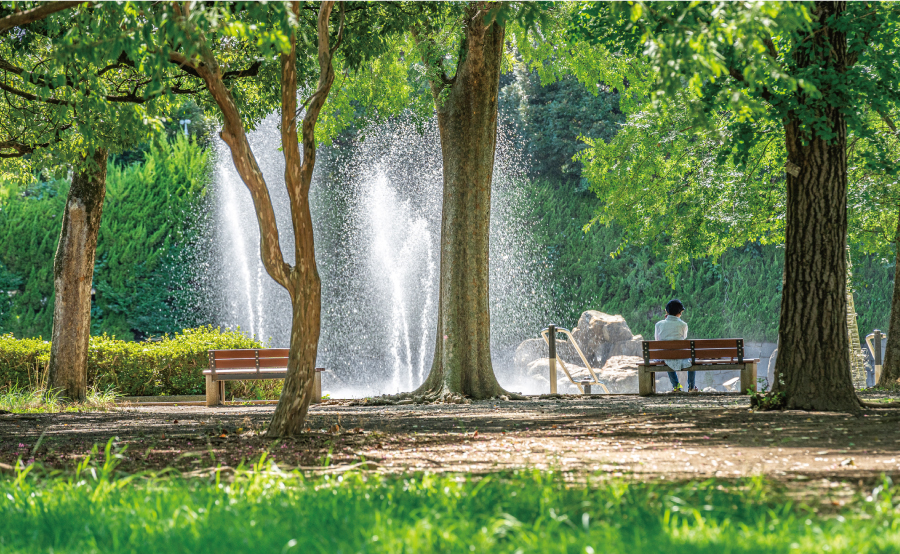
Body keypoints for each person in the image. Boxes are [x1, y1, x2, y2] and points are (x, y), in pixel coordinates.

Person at [655, 299, 696, 392]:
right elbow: (684, 337)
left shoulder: (659, 324)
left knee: (668, 358)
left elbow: (657, 340)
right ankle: (691, 387)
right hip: (680, 355)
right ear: (679, 313)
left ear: (667, 311)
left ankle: (676, 387)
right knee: (692, 361)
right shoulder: (683, 325)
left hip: (665, 356)